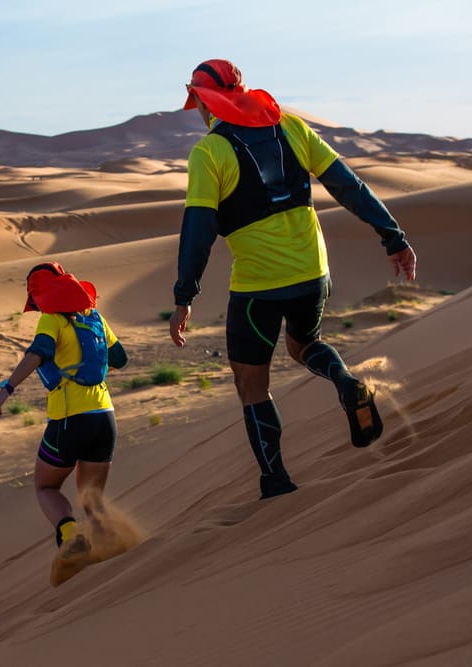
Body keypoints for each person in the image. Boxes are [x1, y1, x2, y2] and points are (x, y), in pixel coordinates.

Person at [169, 59, 417, 500]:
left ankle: (275, 480)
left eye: (199, 104)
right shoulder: (291, 127)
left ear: (209, 102)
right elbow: (348, 185)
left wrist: (185, 295)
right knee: (303, 344)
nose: (201, 114)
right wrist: (392, 236)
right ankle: (345, 382)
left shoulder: (209, 152)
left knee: (251, 383)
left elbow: (199, 229)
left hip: (257, 287)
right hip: (312, 273)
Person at [0, 262, 128, 580]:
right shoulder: (95, 317)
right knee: (92, 500)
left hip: (69, 419)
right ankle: (117, 559)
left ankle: (70, 536)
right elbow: (120, 359)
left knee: (46, 486)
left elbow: (36, 354)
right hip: (104, 417)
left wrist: (6, 390)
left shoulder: (52, 320)